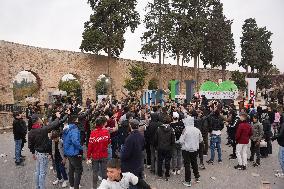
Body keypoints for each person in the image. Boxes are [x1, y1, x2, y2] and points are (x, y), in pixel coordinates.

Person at [28, 111, 67, 189]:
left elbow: (30, 145)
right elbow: (53, 125)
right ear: (37, 121)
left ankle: (37, 186)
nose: (40, 119)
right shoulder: (42, 130)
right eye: (39, 118)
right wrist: (58, 117)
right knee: (42, 173)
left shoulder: (31, 132)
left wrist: (33, 153)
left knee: (37, 171)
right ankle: (41, 187)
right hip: (42, 154)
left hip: (37, 153)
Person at [178, 115, 203, 187]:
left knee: (187, 164)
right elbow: (201, 140)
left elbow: (181, 141)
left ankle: (187, 181)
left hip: (186, 150)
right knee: (194, 163)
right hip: (195, 149)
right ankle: (197, 177)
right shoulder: (197, 130)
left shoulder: (185, 130)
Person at [87, 116, 111, 189]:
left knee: (95, 172)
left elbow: (90, 146)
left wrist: (88, 156)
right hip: (104, 155)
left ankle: (94, 187)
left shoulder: (93, 133)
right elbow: (109, 142)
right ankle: (105, 187)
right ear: (103, 124)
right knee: (104, 173)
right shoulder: (106, 132)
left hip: (95, 156)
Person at [63, 114, 84, 189]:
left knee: (71, 168)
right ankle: (76, 186)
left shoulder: (67, 128)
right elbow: (75, 141)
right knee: (78, 170)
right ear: (75, 120)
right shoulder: (74, 128)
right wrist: (81, 148)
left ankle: (72, 185)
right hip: (74, 152)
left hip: (68, 152)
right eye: (77, 119)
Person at [154, 115, 175, 180]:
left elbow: (155, 139)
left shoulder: (158, 129)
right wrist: (172, 147)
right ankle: (167, 174)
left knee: (159, 161)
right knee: (167, 161)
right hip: (168, 148)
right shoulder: (171, 129)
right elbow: (173, 140)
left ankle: (160, 174)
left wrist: (156, 146)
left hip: (160, 147)